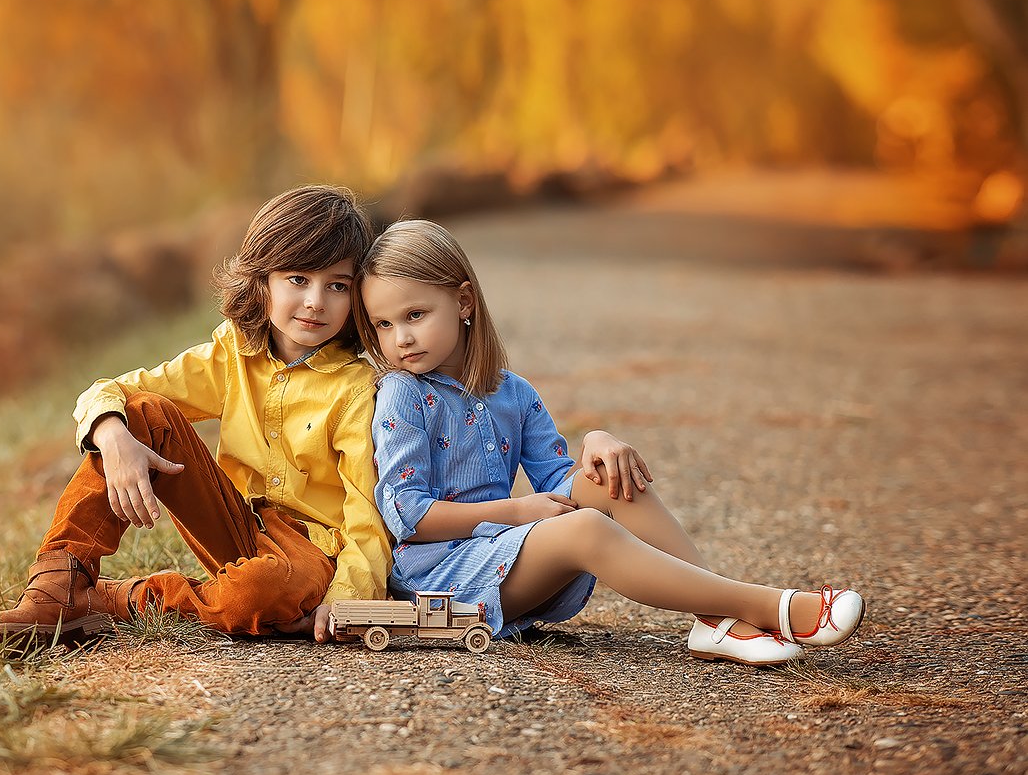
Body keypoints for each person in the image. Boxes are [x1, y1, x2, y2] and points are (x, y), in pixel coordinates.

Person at [356, 219, 865, 666]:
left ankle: (715, 621)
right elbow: (407, 514)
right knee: (586, 529)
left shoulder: (510, 391)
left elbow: (560, 483)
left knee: (611, 482)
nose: (400, 338)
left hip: (509, 557)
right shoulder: (402, 394)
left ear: (464, 301)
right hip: (445, 578)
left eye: (415, 315)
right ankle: (767, 606)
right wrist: (515, 512)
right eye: (383, 324)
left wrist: (597, 442)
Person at [0, 185, 390, 653]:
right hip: (237, 525)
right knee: (141, 412)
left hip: (312, 552)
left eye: (336, 285)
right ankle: (58, 586)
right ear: (262, 280)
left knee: (257, 596)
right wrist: (111, 433)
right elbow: (116, 390)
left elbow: (365, 510)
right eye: (298, 279)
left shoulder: (356, 388)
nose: (316, 301)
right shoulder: (233, 352)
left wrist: (346, 601)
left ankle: (120, 601)